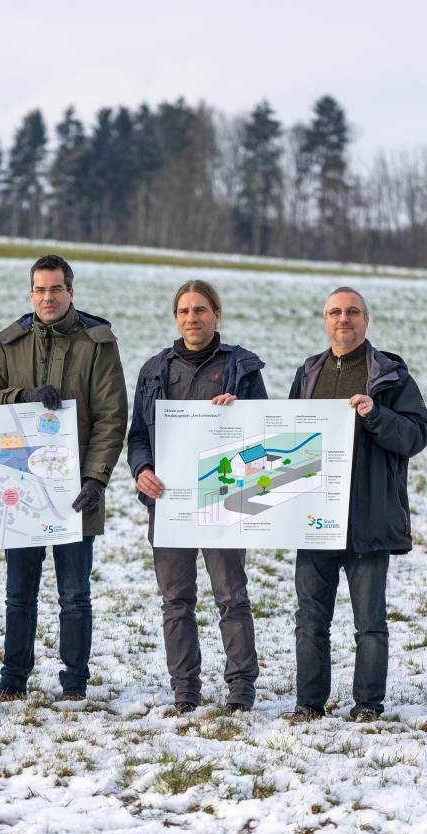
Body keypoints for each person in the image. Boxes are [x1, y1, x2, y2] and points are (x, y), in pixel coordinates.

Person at [0, 254, 128, 702]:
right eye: (39, 289)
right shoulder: (10, 343)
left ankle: (75, 683)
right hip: (21, 491)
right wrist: (21, 396)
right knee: (19, 594)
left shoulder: (98, 343)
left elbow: (112, 418)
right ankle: (12, 680)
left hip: (76, 493)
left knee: (75, 595)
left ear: (71, 292)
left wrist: (95, 480)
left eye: (56, 289)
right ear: (31, 294)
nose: (47, 297)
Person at [287, 286, 427, 724]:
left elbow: (416, 435)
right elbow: (288, 438)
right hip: (315, 517)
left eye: (352, 312)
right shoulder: (308, 372)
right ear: (325, 320)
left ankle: (367, 704)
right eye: (335, 312)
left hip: (368, 517)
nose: (343, 319)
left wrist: (376, 415)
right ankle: (308, 704)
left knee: (369, 622)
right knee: (310, 620)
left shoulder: (391, 376)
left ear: (366, 320)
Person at [126, 280, 268, 714]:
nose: (193, 318)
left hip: (224, 499)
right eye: (185, 311)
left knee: (231, 597)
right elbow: (137, 437)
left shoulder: (242, 367)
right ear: (176, 317)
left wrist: (240, 410)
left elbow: (263, 438)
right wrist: (141, 471)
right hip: (169, 504)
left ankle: (241, 688)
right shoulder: (153, 369)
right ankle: (185, 688)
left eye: (201, 310)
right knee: (176, 600)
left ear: (216, 315)